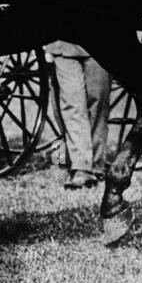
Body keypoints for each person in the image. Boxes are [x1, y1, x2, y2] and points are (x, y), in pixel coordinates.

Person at [47, 41, 111, 189]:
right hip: (62, 43)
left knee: (98, 101)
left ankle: (96, 164)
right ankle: (81, 167)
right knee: (72, 103)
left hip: (100, 42)